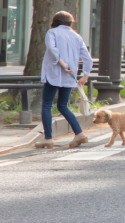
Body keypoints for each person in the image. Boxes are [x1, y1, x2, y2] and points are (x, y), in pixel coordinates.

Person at [35, 11, 93, 149]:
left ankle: (48, 138)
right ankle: (79, 133)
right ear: (70, 22)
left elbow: (51, 49)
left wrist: (61, 63)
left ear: (55, 21)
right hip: (69, 76)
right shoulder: (77, 36)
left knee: (47, 105)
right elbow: (87, 58)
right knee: (63, 105)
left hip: (53, 74)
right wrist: (85, 75)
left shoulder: (52, 32)